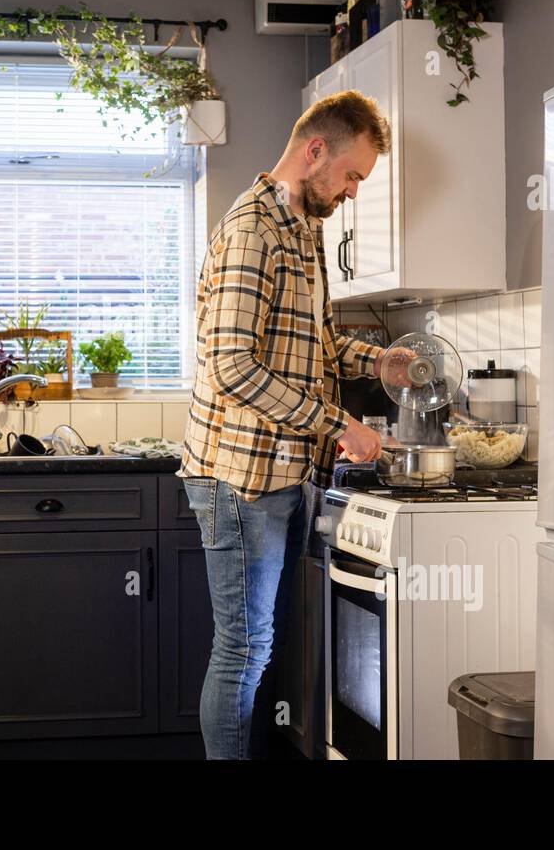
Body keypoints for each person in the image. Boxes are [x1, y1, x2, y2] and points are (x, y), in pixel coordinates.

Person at [178, 90, 397, 759]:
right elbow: (232, 367)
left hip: (279, 472)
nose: (354, 192)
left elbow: (318, 343)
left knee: (256, 643)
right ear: (315, 151)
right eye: (353, 175)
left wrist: (382, 359)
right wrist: (340, 424)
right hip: (238, 476)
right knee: (242, 648)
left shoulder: (304, 228)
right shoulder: (253, 231)